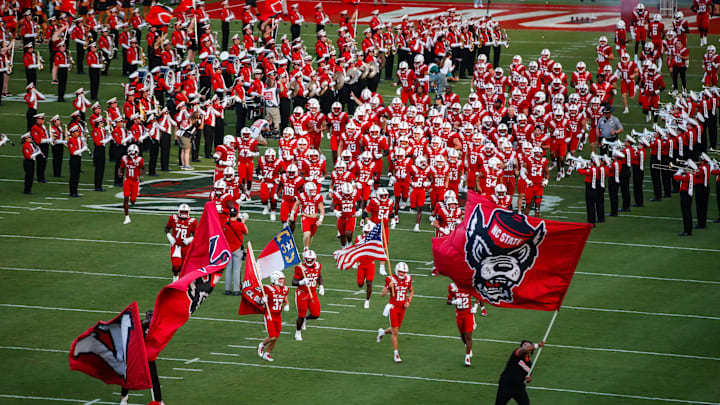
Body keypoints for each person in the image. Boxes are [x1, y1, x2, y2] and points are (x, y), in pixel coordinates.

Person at [376, 262, 414, 363]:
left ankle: (382, 332)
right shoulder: (390, 279)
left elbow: (411, 291)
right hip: (393, 307)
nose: (402, 274)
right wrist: (388, 286)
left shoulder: (408, 279)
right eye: (401, 272)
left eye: (404, 272)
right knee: (395, 331)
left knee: (395, 328)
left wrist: (408, 301)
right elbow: (382, 294)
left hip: (402, 308)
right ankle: (396, 355)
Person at [495, 340, 546, 405]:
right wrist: (537, 345)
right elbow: (523, 350)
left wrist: (528, 380)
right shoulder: (517, 353)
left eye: (528, 345)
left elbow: (528, 378)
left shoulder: (530, 365)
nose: (525, 347)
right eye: (524, 345)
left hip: (519, 387)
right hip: (506, 385)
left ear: (531, 350)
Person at [447, 282, 482, 366]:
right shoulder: (452, 286)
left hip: (468, 314)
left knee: (468, 335)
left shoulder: (467, 286)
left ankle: (467, 358)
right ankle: (468, 348)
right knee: (463, 336)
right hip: (459, 314)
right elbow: (448, 301)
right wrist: (454, 302)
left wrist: (475, 306)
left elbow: (478, 295)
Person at [258, 271, 290, 362]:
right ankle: (262, 344)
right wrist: (263, 300)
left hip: (278, 315)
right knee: (272, 336)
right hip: (270, 314)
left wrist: (287, 304)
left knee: (276, 337)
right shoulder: (268, 289)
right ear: (275, 280)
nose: (283, 281)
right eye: (281, 279)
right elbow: (260, 302)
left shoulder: (284, 289)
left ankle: (267, 354)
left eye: (283, 279)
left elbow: (285, 299)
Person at [292, 249, 324, 341]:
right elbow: (293, 282)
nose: (309, 262)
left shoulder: (318, 265)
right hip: (302, 293)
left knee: (316, 314)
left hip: (312, 292)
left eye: (311, 259)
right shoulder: (300, 268)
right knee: (301, 315)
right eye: (307, 259)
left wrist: (321, 286)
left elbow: (319, 275)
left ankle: (306, 319)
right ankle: (297, 332)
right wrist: (301, 282)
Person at [164, 203, 198, 281]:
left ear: (188, 212)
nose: (183, 214)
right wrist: (169, 236)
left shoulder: (192, 221)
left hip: (186, 247)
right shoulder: (173, 218)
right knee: (176, 265)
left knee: (184, 266)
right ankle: (175, 277)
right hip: (176, 246)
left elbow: (197, 235)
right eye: (182, 212)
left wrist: (190, 239)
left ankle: (183, 282)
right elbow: (166, 227)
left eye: (185, 212)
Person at [290, 182, 324, 250]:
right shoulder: (302, 196)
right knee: (306, 234)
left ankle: (307, 247)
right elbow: (296, 204)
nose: (313, 191)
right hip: (306, 217)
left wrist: (320, 220)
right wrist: (292, 214)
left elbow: (322, 210)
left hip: (314, 218)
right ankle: (306, 249)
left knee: (311, 236)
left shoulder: (318, 197)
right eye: (311, 190)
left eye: (314, 189)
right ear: (307, 190)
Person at [223, 208, 248, 295]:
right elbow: (246, 232)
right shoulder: (240, 225)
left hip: (228, 248)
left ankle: (227, 289)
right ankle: (236, 290)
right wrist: (243, 223)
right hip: (237, 249)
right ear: (236, 214)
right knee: (237, 270)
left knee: (228, 269)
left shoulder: (226, 224)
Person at [119, 144, 145, 224]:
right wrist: (120, 173)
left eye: (133, 153)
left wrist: (139, 176)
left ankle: (133, 200)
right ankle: (127, 217)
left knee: (133, 200)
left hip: (135, 182)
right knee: (126, 197)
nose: (132, 155)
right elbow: (121, 168)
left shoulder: (140, 160)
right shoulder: (124, 158)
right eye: (131, 152)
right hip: (127, 180)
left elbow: (144, 169)